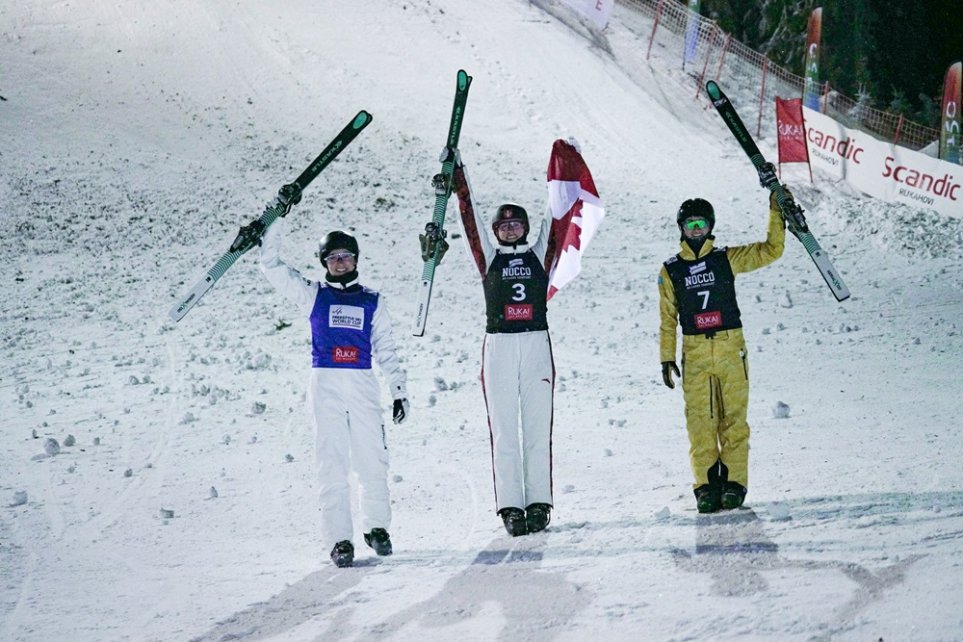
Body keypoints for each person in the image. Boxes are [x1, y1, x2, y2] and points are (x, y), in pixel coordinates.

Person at [433, 140, 600, 537]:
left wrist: (566, 166)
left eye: (516, 225)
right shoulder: (488, 258)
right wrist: (458, 175)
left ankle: (539, 503)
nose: (511, 230)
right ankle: (510, 507)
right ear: (496, 232)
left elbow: (556, 216)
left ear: (525, 228)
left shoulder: (539, 253)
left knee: (538, 427)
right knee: (505, 429)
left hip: (536, 344)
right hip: (500, 346)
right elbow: (468, 216)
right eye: (504, 226)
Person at [258, 219, 409, 567]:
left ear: (356, 260)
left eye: (346, 256)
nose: (340, 263)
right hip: (325, 384)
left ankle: (377, 528)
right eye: (333, 258)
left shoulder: (373, 300)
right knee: (332, 464)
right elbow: (272, 267)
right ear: (324, 262)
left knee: (373, 460)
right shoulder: (314, 294)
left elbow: (386, 347)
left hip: (362, 384)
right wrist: (275, 223)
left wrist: (399, 390)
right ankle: (340, 539)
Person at [658, 189, 787, 513]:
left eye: (701, 223)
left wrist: (777, 211)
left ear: (711, 225)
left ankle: (734, 484)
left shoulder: (726, 259)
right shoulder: (671, 270)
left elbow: (771, 250)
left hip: (730, 346)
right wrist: (666, 356)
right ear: (681, 229)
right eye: (690, 225)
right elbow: (667, 317)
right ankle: (706, 485)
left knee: (733, 420)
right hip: (696, 351)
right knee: (700, 422)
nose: (696, 230)